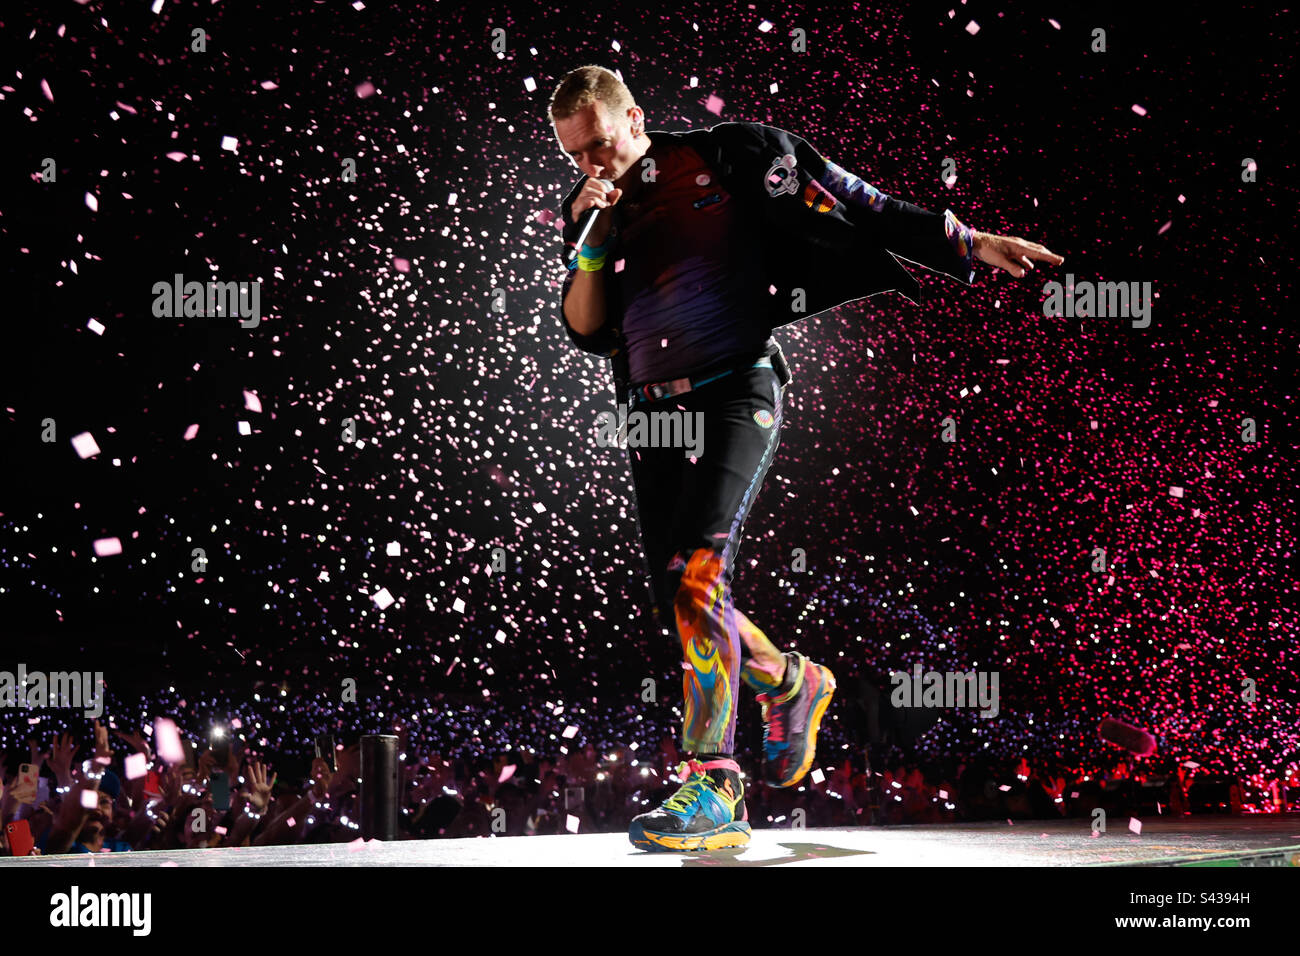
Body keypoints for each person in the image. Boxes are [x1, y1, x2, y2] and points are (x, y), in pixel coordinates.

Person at [548, 65, 1063, 852]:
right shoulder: (591, 212)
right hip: (651, 419)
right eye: (572, 153)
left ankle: (714, 784)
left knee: (696, 578)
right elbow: (585, 331)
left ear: (634, 117)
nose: (588, 164)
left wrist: (968, 241)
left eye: (598, 144)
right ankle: (792, 681)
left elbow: (862, 202)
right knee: (685, 598)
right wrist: (590, 238)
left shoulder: (728, 155)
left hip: (733, 392)